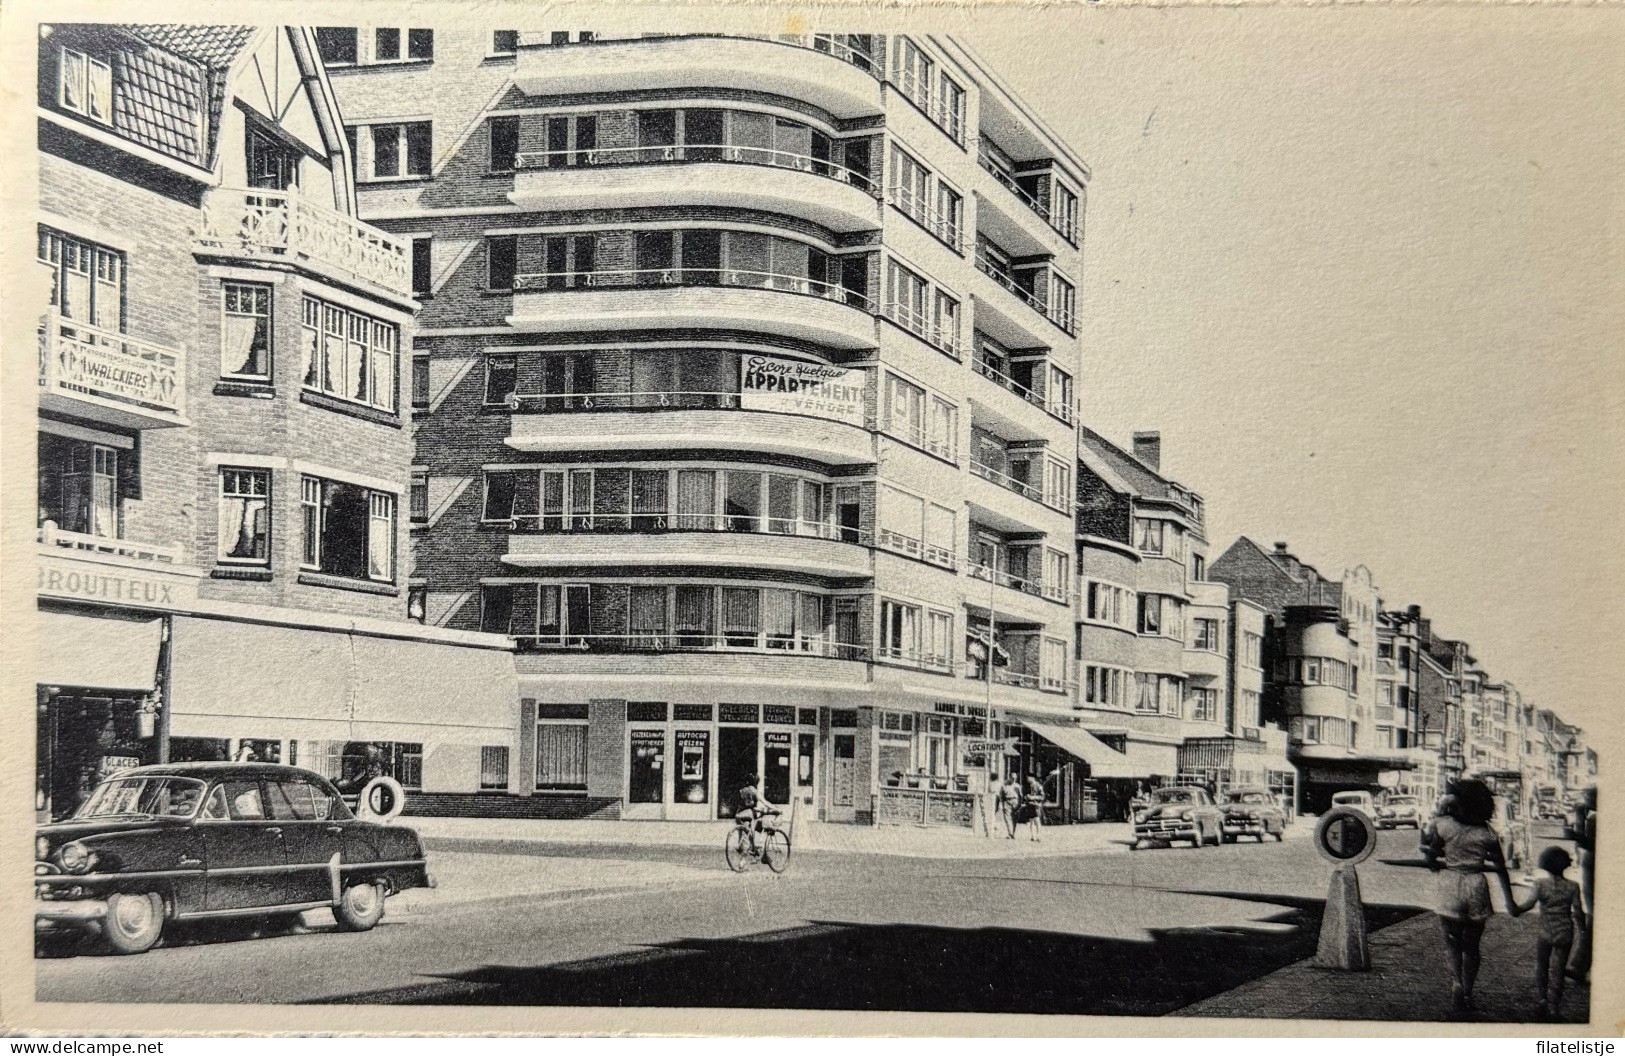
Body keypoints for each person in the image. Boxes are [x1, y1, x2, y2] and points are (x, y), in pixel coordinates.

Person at [1425, 779, 1516, 1015]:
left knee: (1452, 942)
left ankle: (1456, 983)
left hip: (1451, 884)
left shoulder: (1443, 826)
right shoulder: (1488, 833)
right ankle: (1468, 991)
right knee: (1473, 946)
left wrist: (1435, 862)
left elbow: (1432, 856)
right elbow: (1501, 868)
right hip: (1476, 886)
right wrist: (1510, 901)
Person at [1509, 846, 1585, 1020]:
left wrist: (1517, 909)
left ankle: (1542, 999)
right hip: (1565, 931)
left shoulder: (1540, 884)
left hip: (1545, 931)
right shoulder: (1573, 886)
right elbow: (1578, 911)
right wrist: (1582, 929)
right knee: (1558, 970)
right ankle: (1554, 1007)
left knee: (1542, 966)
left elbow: (1529, 904)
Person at [1565, 786, 1596, 983]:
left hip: (1594, 864)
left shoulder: (1594, 818)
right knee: (1594, 915)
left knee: (1594, 914)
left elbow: (1590, 843)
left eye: (1589, 796)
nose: (1586, 799)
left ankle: (1579, 964)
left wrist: (1575, 834)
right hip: (1591, 863)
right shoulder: (1592, 816)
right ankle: (1579, 964)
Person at [734, 774, 780, 855]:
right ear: (756, 783)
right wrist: (776, 808)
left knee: (744, 832)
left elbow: (740, 803)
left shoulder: (742, 790)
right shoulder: (755, 791)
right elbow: (765, 802)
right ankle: (750, 850)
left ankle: (743, 847)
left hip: (739, 814)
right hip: (748, 814)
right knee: (754, 827)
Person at [998, 773, 1022, 839]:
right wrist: (1001, 803)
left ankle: (1013, 833)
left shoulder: (1017, 786)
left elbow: (1020, 796)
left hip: (1015, 801)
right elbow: (1001, 796)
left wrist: (1019, 804)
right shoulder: (1004, 785)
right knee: (1007, 818)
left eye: (1015, 779)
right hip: (1007, 801)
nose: (1013, 780)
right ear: (1010, 777)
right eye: (1012, 778)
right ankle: (1010, 833)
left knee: (1014, 818)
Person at [1023, 772, 1046, 842]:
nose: (1027, 779)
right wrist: (1026, 797)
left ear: (1032, 778)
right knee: (1031, 821)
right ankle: (1033, 836)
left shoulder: (1038, 786)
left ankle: (1038, 836)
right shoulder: (1027, 786)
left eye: (1028, 778)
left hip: (1036, 805)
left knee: (1037, 820)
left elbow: (1042, 796)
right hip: (1030, 805)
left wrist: (1033, 797)